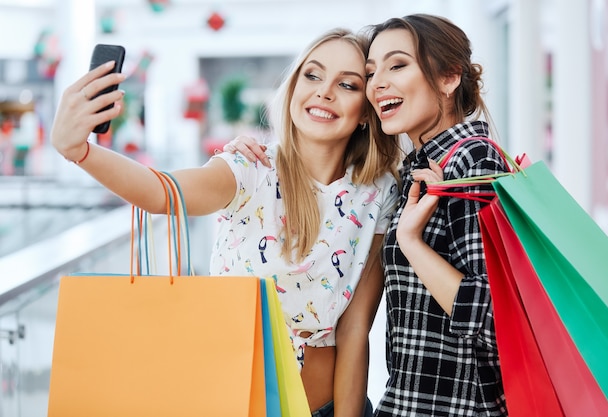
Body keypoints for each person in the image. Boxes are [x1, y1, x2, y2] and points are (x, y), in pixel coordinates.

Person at [50, 28, 400, 417]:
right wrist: (79, 151)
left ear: (367, 111)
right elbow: (161, 193)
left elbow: (354, 332)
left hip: (332, 408)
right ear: (294, 87)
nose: (324, 92)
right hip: (236, 403)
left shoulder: (378, 192)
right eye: (312, 75)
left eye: (347, 85)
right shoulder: (249, 168)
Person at [224, 13, 509, 417]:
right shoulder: (416, 171)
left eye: (397, 65)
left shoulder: (472, 160)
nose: (379, 84)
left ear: (449, 78)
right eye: (372, 72)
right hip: (410, 404)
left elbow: (497, 317)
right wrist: (244, 155)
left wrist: (411, 243)